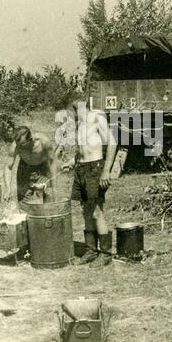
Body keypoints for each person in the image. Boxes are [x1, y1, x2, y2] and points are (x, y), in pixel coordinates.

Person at [62, 98, 117, 268]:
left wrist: (106, 170)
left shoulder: (96, 117)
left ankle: (106, 253)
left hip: (95, 168)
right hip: (81, 169)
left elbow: (112, 143)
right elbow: (83, 150)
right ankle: (91, 251)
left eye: (77, 106)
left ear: (84, 104)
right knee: (85, 211)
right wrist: (71, 161)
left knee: (96, 211)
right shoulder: (80, 125)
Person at [4, 126, 57, 203]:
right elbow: (8, 167)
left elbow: (52, 162)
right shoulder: (15, 146)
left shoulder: (44, 142)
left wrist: (54, 187)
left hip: (42, 169)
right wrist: (8, 188)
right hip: (24, 169)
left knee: (44, 201)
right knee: (24, 203)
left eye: (23, 144)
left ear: (30, 139)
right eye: (18, 144)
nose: (20, 147)